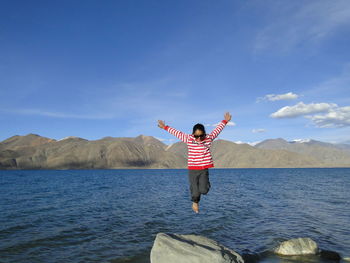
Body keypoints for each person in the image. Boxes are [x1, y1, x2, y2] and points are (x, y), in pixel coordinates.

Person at [157, 112, 232, 214]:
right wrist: (165, 127)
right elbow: (177, 133)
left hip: (204, 169)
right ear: (193, 134)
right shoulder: (189, 139)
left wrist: (225, 121)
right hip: (192, 170)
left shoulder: (209, 138)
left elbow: (217, 130)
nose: (199, 138)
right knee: (195, 192)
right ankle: (195, 202)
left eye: (201, 135)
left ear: (204, 134)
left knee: (204, 190)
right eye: (196, 136)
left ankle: (205, 185)